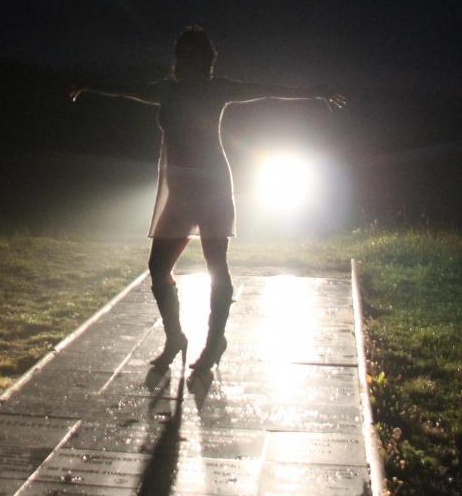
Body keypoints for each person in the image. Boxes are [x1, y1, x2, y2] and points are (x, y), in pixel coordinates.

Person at [69, 26, 345, 380]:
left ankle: (214, 341)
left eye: (195, 58)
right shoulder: (167, 90)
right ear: (178, 60)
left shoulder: (218, 89)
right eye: (183, 57)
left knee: (217, 265)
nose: (188, 63)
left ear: (206, 61)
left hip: (212, 185)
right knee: (158, 267)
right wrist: (89, 84)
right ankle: (175, 337)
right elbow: (125, 88)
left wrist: (314, 92)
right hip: (179, 189)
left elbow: (267, 90)